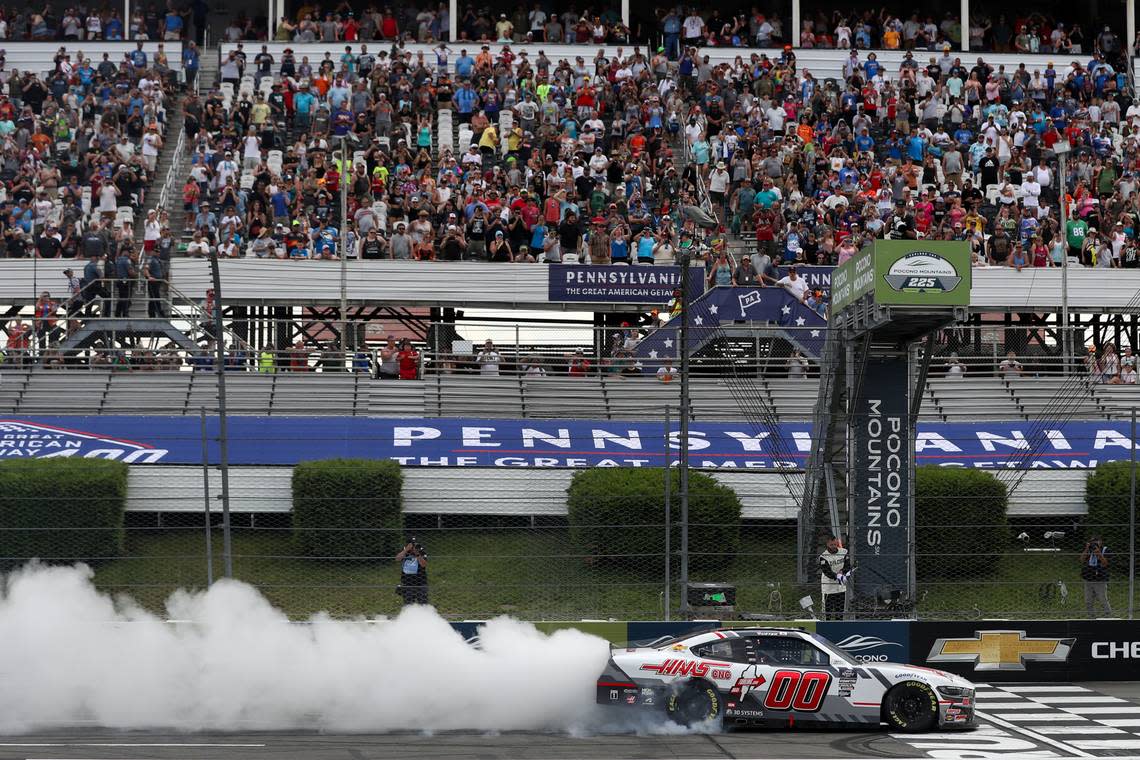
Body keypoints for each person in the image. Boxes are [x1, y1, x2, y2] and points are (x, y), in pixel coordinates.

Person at [819, 534, 850, 620]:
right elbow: (827, 572)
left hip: (840, 586)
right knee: (827, 612)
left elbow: (848, 566)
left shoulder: (844, 552)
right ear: (827, 544)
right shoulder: (823, 557)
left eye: (835, 544)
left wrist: (843, 572)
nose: (833, 546)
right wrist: (838, 576)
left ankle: (838, 626)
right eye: (831, 545)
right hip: (828, 587)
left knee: (839, 611)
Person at [1081, 535, 1111, 617]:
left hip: (1100, 579)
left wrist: (1099, 553)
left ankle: (1108, 615)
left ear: (1100, 541)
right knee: (1088, 600)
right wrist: (1087, 549)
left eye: (1096, 541)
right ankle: (1091, 616)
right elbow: (1082, 559)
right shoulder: (1089, 550)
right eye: (1092, 542)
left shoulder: (1105, 550)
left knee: (1102, 599)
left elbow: (1105, 564)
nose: (1094, 544)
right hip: (1088, 578)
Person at [395, 538, 428, 605]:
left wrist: (417, 554)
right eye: (412, 544)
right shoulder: (404, 551)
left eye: (415, 543)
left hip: (420, 582)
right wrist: (406, 550)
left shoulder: (421, 551)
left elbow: (424, 564)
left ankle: (424, 615)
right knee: (408, 605)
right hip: (407, 582)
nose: (414, 546)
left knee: (423, 605)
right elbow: (397, 559)